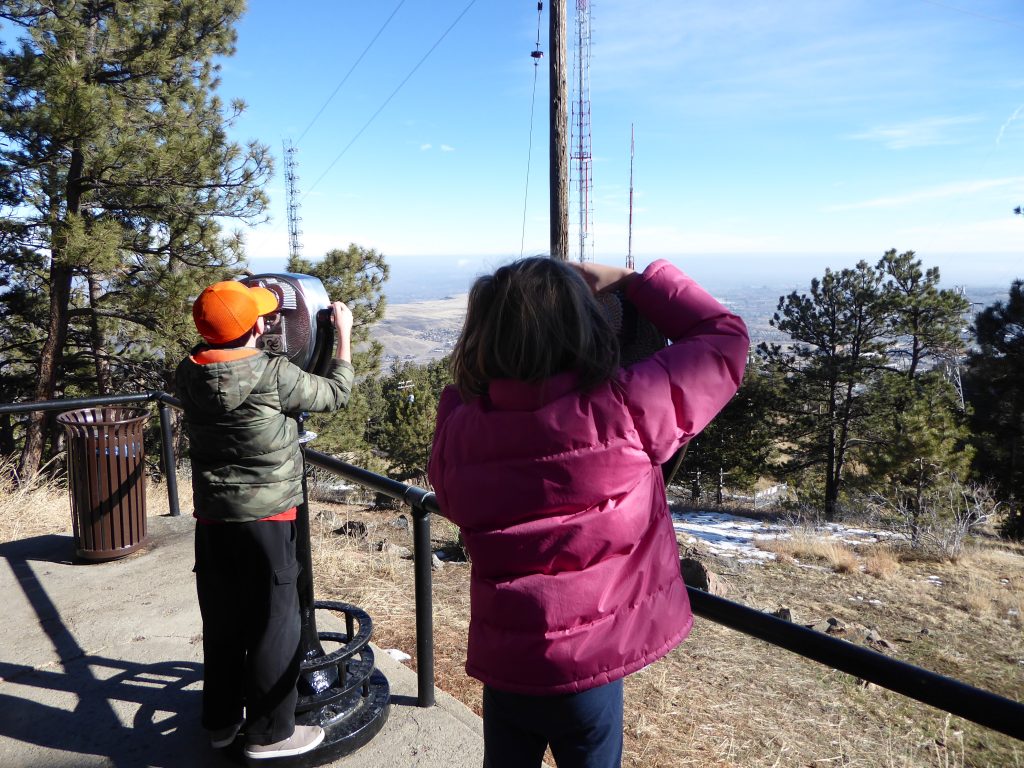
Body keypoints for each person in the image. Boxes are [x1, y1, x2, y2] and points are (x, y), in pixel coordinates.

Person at [428, 258, 749, 768]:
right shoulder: (624, 408)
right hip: (587, 672)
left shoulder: (461, 433)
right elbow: (725, 339)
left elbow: (450, 493)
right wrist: (635, 281)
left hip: (506, 665)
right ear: (585, 328)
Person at [175, 279, 354, 760]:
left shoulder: (187, 372)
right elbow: (336, 394)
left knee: (224, 620)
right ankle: (271, 734)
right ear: (257, 324)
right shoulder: (273, 374)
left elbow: (218, 350)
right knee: (277, 623)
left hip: (213, 517)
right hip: (269, 516)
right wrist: (343, 337)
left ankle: (220, 722)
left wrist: (240, 327)